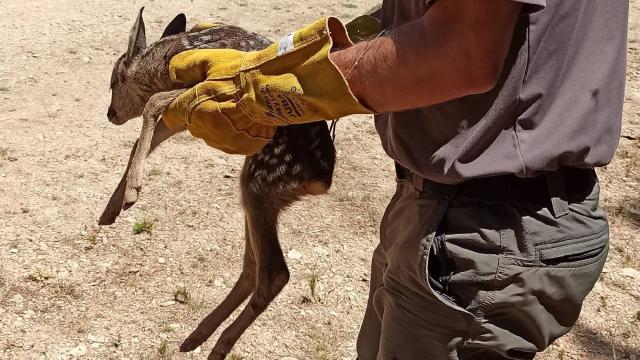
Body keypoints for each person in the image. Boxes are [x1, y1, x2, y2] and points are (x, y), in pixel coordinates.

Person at [162, 0, 630, 359]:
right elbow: (411, 18)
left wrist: (261, 95)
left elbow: (461, 49)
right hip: (443, 215)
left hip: (486, 232)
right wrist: (278, 58)